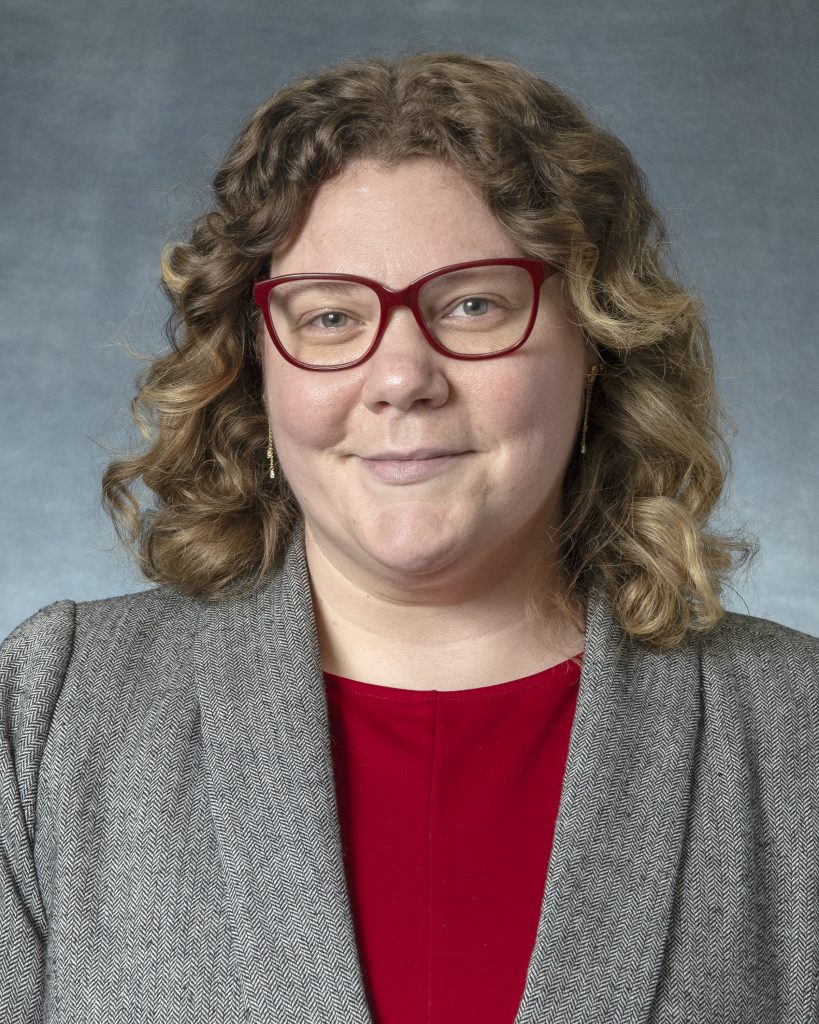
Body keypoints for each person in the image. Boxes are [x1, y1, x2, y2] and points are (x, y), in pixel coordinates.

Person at [1, 51, 817, 1024]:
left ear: (598, 342)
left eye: (473, 304)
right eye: (330, 316)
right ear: (254, 366)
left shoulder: (794, 731)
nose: (400, 377)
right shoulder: (52, 713)